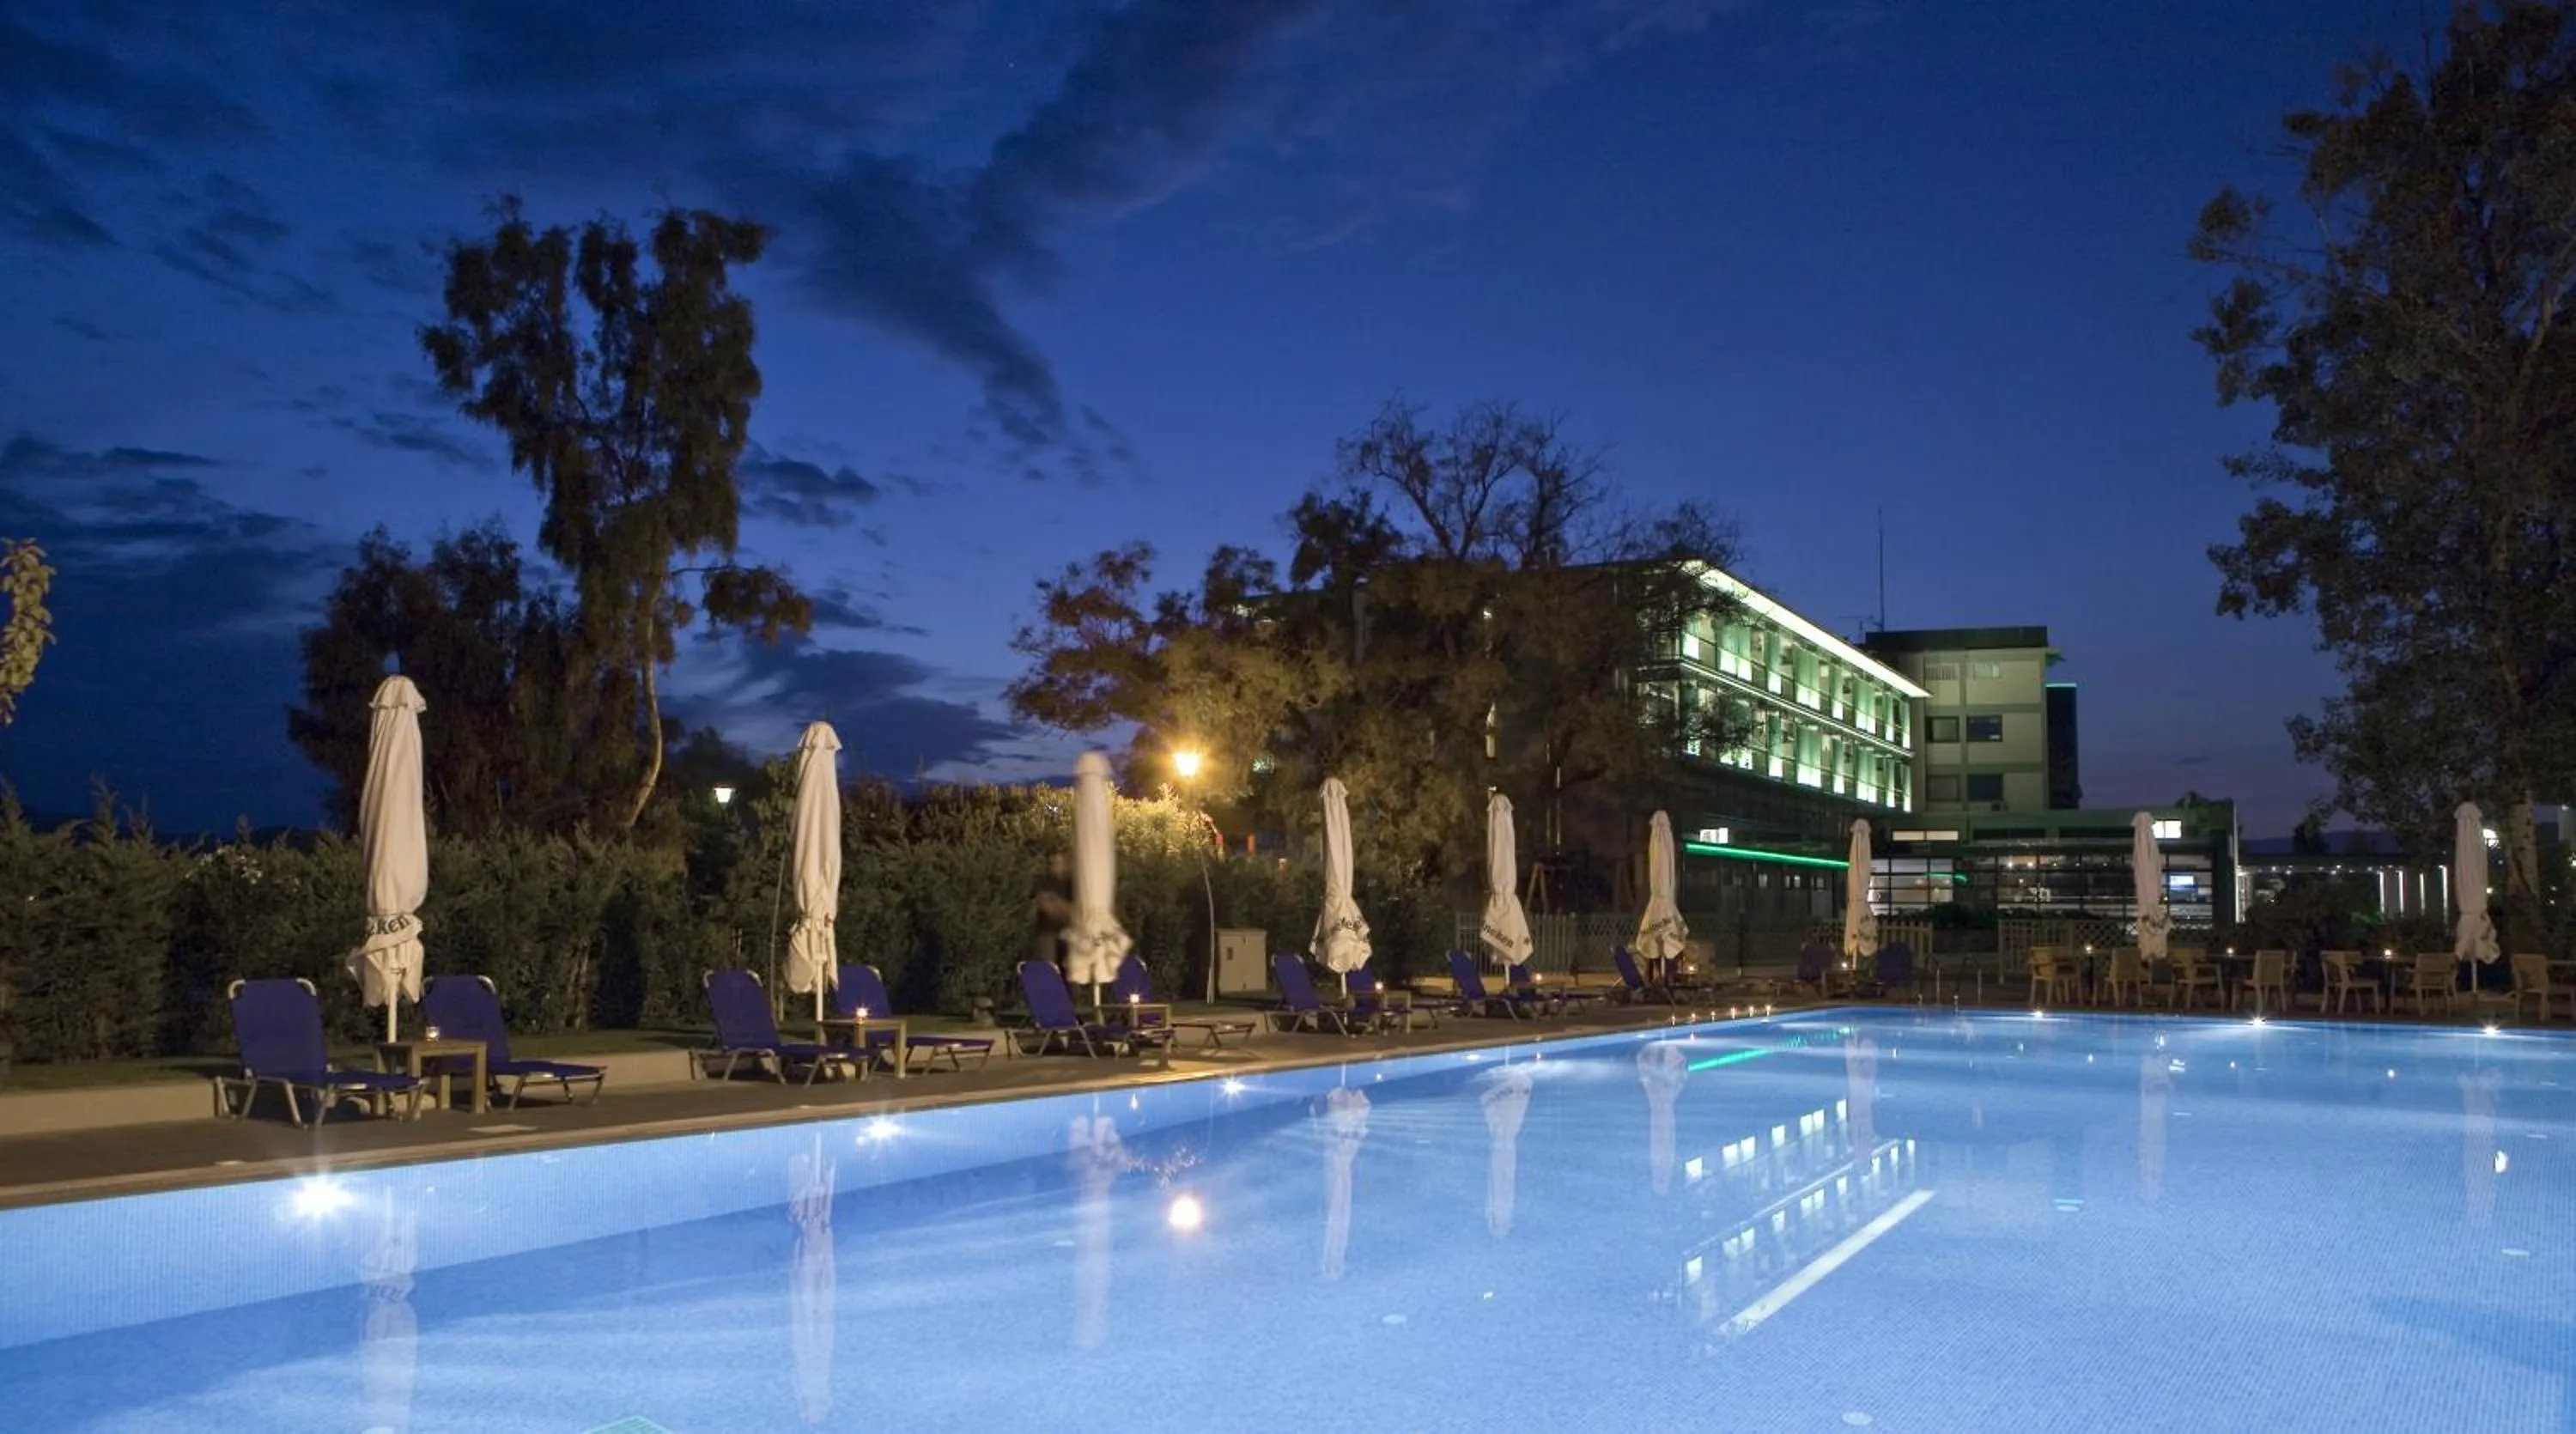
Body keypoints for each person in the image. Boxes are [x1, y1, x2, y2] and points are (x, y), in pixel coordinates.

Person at [1031, 851, 1074, 969]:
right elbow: (1046, 905)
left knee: (1072, 965)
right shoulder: (1046, 882)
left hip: (1068, 932)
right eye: (1054, 862)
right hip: (1047, 931)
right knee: (1048, 967)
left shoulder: (1072, 884)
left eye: (1060, 862)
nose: (1057, 865)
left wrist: (1058, 905)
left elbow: (1076, 910)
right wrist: (1064, 908)